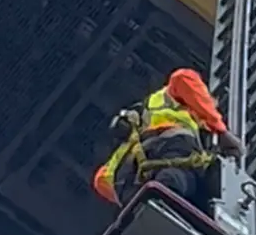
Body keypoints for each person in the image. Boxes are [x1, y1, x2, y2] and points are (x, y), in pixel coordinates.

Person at [92, 68, 243, 209]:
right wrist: (222, 132)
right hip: (168, 147)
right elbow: (182, 77)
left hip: (128, 182)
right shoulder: (170, 96)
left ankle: (154, 206)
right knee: (184, 179)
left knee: (169, 193)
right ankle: (164, 194)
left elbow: (100, 180)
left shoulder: (129, 139)